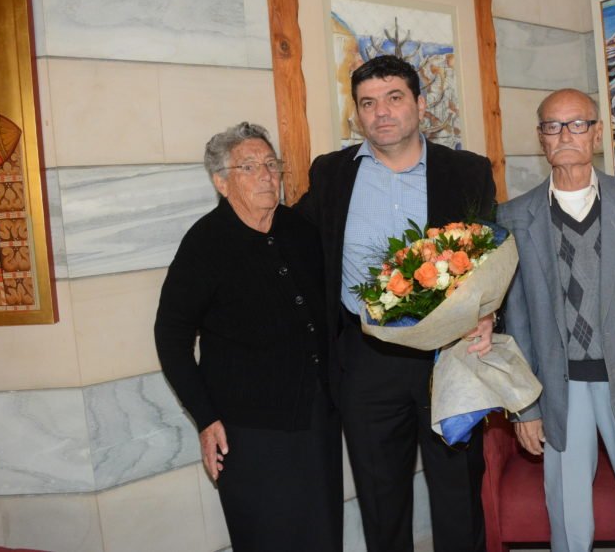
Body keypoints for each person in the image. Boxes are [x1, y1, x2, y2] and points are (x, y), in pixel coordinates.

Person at [296, 55, 495, 552]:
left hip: (448, 355)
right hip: (366, 361)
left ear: (420, 105)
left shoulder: (467, 171)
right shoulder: (331, 174)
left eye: (393, 98)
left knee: (458, 494)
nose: (380, 112)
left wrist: (489, 311)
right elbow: (293, 242)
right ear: (356, 113)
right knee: (381, 503)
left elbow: (491, 253)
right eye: (367, 103)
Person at [498, 89, 615, 552]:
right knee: (566, 511)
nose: (565, 135)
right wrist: (525, 408)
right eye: (553, 126)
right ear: (541, 137)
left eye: (577, 124)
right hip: (557, 388)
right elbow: (516, 324)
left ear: (597, 133)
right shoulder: (514, 216)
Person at [154, 122, 342, 552]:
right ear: (221, 182)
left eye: (271, 164)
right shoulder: (204, 244)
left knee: (322, 533)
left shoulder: (301, 230)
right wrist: (205, 418)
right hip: (247, 429)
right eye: (249, 167)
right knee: (265, 535)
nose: (266, 175)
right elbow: (170, 335)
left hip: (316, 417)